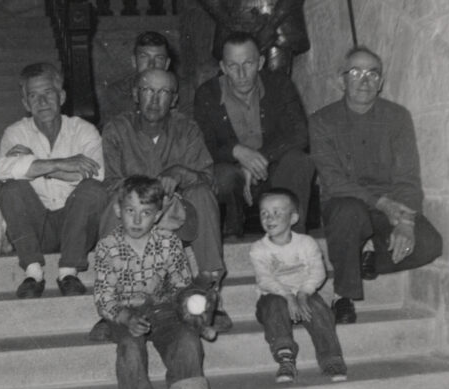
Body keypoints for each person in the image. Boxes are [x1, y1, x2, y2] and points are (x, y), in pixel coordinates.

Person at [309, 46, 443, 324]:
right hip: (344, 203)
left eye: (373, 73)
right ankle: (342, 295)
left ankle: (360, 256)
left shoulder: (398, 117)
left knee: (429, 244)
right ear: (341, 80)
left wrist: (405, 223)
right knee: (350, 212)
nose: (365, 80)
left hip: (389, 208)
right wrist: (382, 203)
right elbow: (334, 181)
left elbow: (407, 176)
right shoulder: (321, 121)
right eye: (355, 72)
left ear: (381, 82)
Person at [99, 67, 231, 333]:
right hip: (135, 219)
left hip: (174, 218)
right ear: (136, 94)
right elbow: (113, 181)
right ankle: (112, 310)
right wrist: (150, 193)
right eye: (148, 90)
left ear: (174, 99)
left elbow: (208, 179)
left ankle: (208, 296)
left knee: (202, 194)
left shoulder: (187, 129)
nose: (155, 99)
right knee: (115, 201)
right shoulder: (117, 129)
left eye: (163, 92)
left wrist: (180, 173)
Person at [94, 175, 209, 389]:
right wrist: (125, 318)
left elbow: (182, 285)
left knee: (188, 341)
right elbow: (104, 299)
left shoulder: (169, 242)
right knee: (129, 349)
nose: (136, 220)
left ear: (157, 215)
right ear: (118, 211)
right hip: (127, 310)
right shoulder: (107, 248)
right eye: (130, 211)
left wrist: (195, 308)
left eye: (145, 213)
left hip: (164, 309)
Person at [0, 62, 107, 299]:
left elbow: (94, 174)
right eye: (33, 96)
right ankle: (33, 274)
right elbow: (3, 170)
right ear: (25, 103)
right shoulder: (15, 133)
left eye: (48, 93)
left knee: (92, 190)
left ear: (62, 96)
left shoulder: (84, 130)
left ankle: (69, 272)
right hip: (37, 228)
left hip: (76, 226)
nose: (42, 102)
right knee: (11, 189)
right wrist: (62, 164)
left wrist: (34, 165)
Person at [194, 31, 313, 237]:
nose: (241, 74)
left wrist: (259, 158)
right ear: (222, 68)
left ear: (260, 63)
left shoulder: (279, 84)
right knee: (222, 176)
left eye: (248, 64)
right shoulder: (207, 94)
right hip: (232, 175)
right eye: (233, 66)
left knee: (300, 161)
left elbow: (300, 134)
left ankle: (293, 237)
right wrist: (237, 152)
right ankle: (233, 230)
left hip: (273, 169)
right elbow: (202, 146)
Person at [251, 188, 347, 383]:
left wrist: (303, 294)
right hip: (274, 296)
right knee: (274, 305)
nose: (269, 218)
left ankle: (331, 358)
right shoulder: (258, 249)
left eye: (277, 212)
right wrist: (288, 297)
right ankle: (285, 357)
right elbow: (265, 280)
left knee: (319, 308)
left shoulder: (307, 243)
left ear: (293, 218)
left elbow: (318, 272)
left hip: (305, 295)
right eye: (264, 213)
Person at [98, 31, 171, 128]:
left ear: (167, 64)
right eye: (144, 57)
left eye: (159, 58)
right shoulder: (116, 93)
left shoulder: (181, 91)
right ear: (134, 61)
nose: (151, 64)